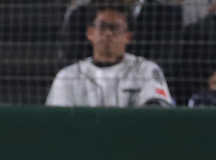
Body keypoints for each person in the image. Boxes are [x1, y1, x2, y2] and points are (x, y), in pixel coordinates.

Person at [47, 2, 175, 107]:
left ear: (128, 36)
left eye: (115, 28)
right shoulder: (67, 76)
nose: (108, 33)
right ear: (90, 33)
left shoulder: (146, 70)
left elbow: (158, 114)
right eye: (102, 27)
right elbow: (58, 122)